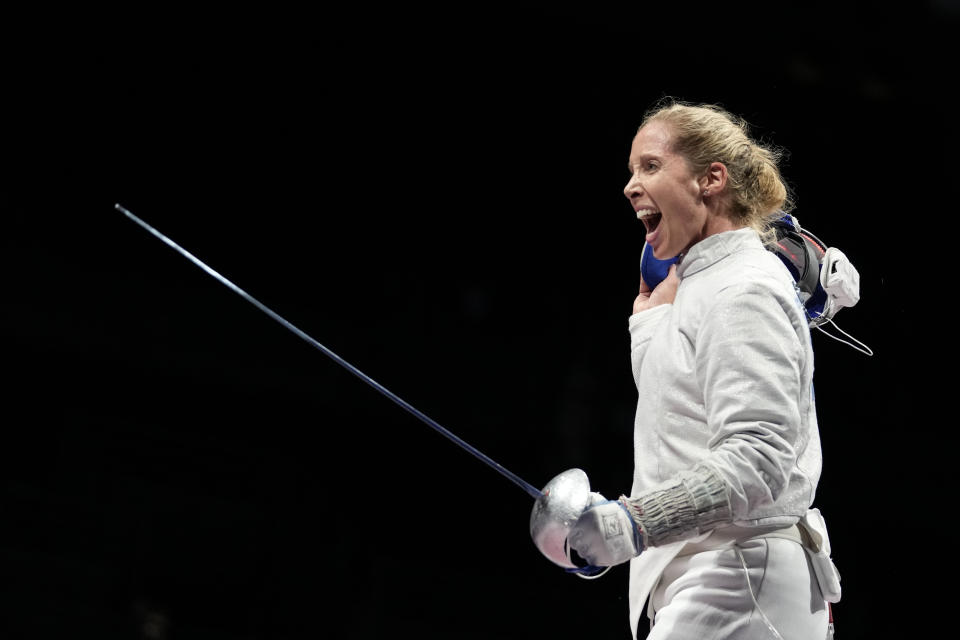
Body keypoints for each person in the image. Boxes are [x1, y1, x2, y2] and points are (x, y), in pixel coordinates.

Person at [566, 100, 840, 640]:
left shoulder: (741, 287)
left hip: (741, 576)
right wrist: (649, 327)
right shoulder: (703, 289)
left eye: (649, 166)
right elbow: (681, 433)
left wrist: (635, 522)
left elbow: (759, 456)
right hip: (717, 576)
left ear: (710, 180)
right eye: (630, 171)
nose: (629, 186)